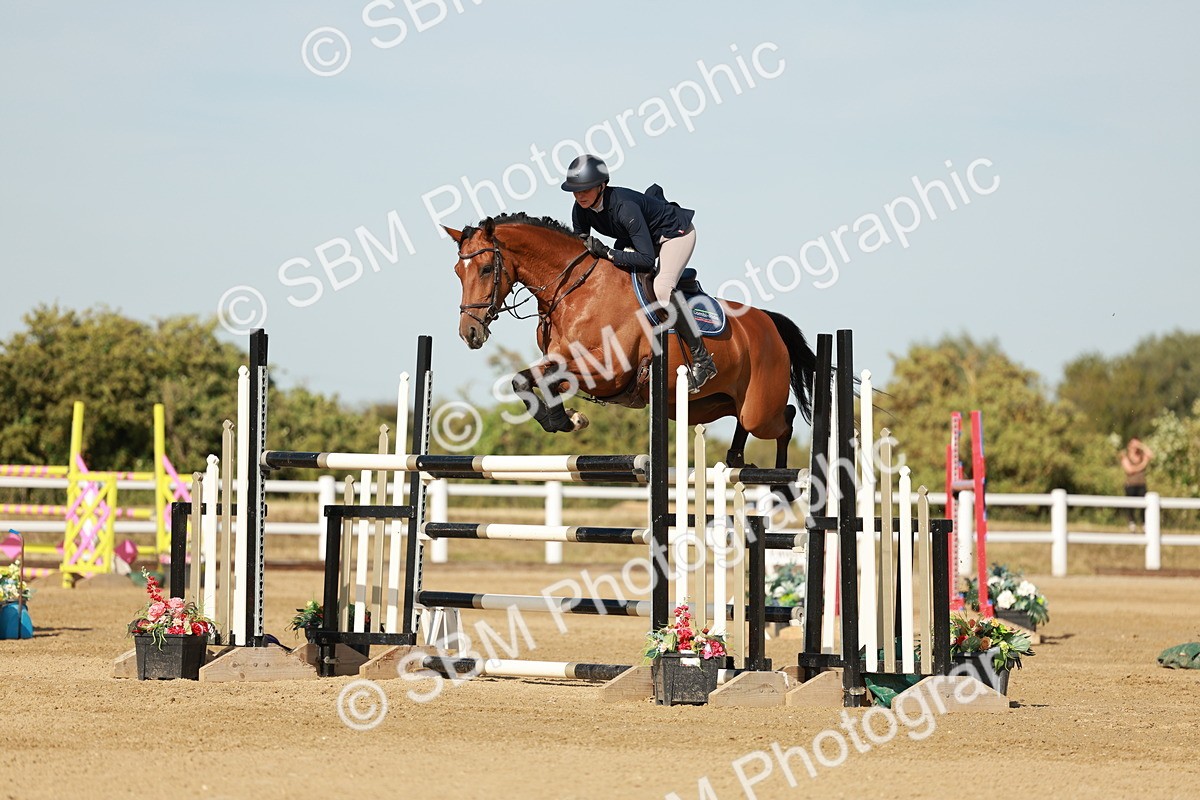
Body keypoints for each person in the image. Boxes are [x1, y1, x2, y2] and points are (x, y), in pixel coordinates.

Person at [560, 154, 716, 393]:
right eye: (575, 191)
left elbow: (644, 259)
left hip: (674, 234)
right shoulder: (580, 209)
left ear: (602, 186)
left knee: (662, 288)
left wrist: (609, 253)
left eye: (586, 189)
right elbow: (581, 247)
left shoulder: (624, 207)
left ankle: (703, 360)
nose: (580, 195)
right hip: (641, 239)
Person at [1120, 438, 1154, 531]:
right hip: (1130, 485)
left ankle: (1144, 523)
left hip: (1141, 484)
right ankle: (1132, 523)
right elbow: (1129, 470)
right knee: (1130, 506)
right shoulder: (1125, 456)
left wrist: (1142, 446)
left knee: (1144, 505)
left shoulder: (1142, 455)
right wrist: (1143, 464)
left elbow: (1151, 455)